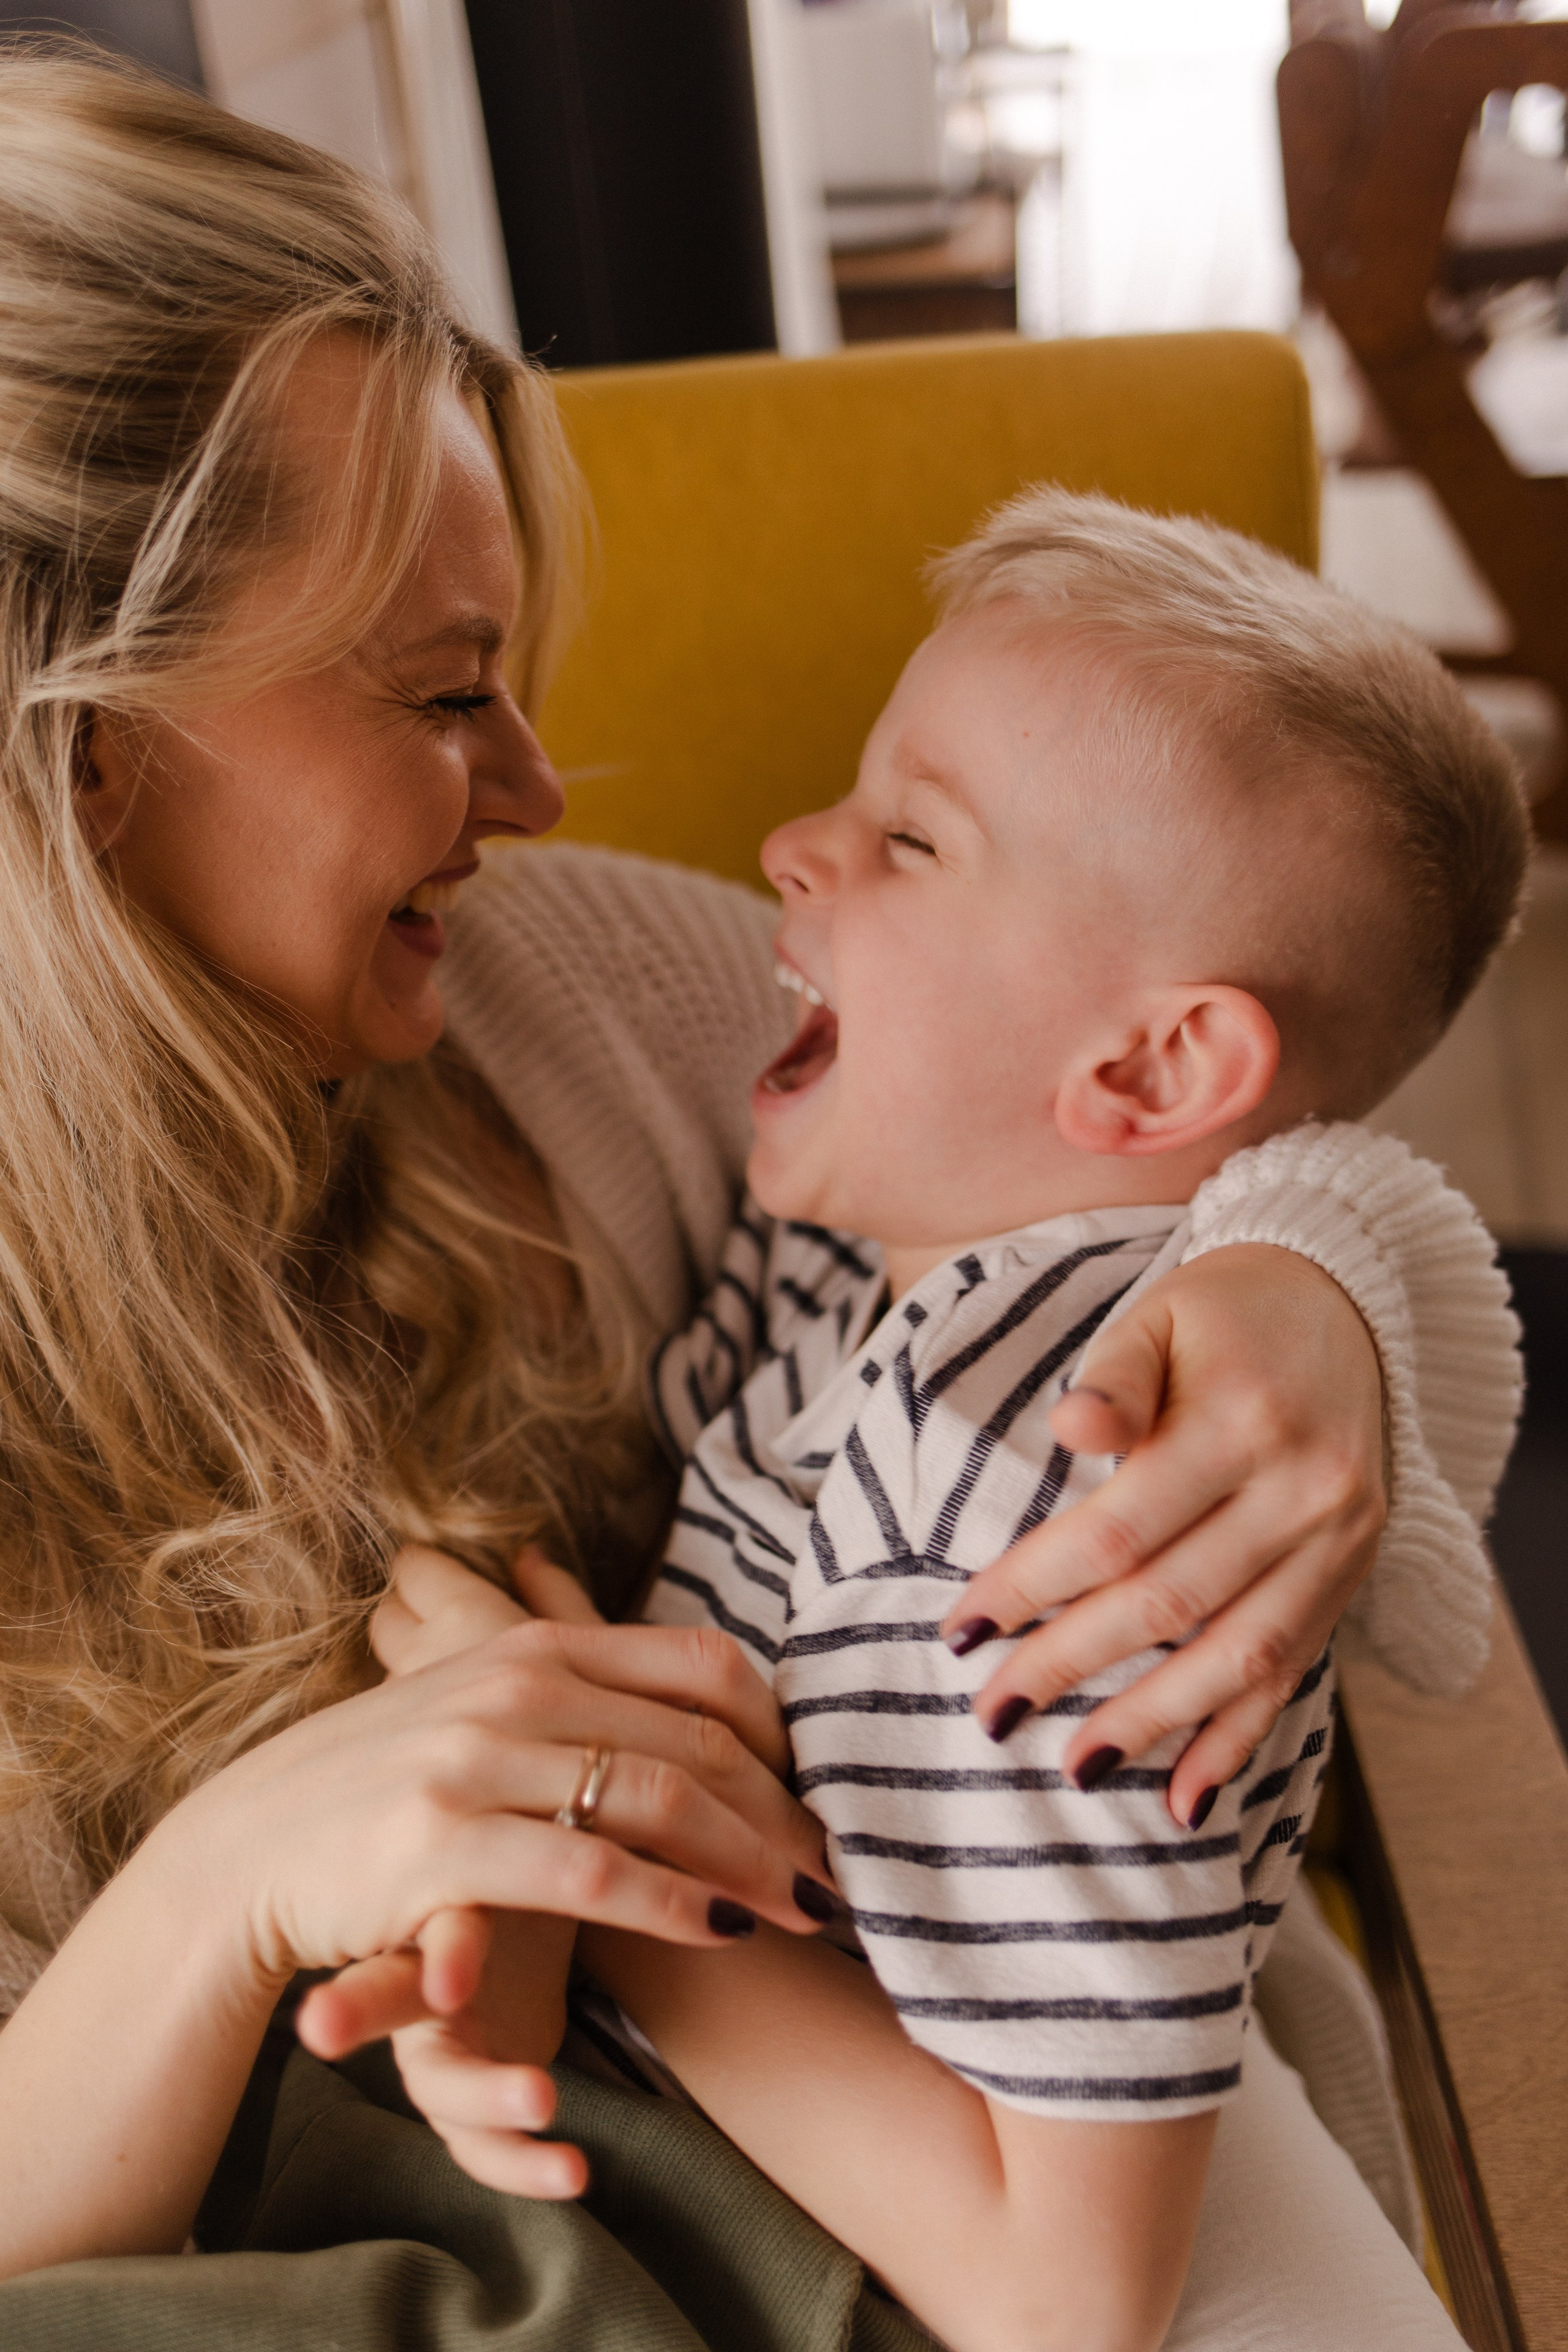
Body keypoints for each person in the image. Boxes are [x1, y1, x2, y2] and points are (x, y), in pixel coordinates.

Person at [0, 45, 1519, 2352]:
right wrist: (235, 1885)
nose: (537, 783)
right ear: (87, 746)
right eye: (444, 692)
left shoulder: (571, 995)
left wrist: (1310, 1273)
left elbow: (1088, 1132)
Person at [370, 492, 1526, 2352]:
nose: (791, 848)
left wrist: (609, 1871)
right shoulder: (871, 1260)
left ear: (1153, 1064)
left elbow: (1070, 2297)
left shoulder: (1019, 1501)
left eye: (911, 836)